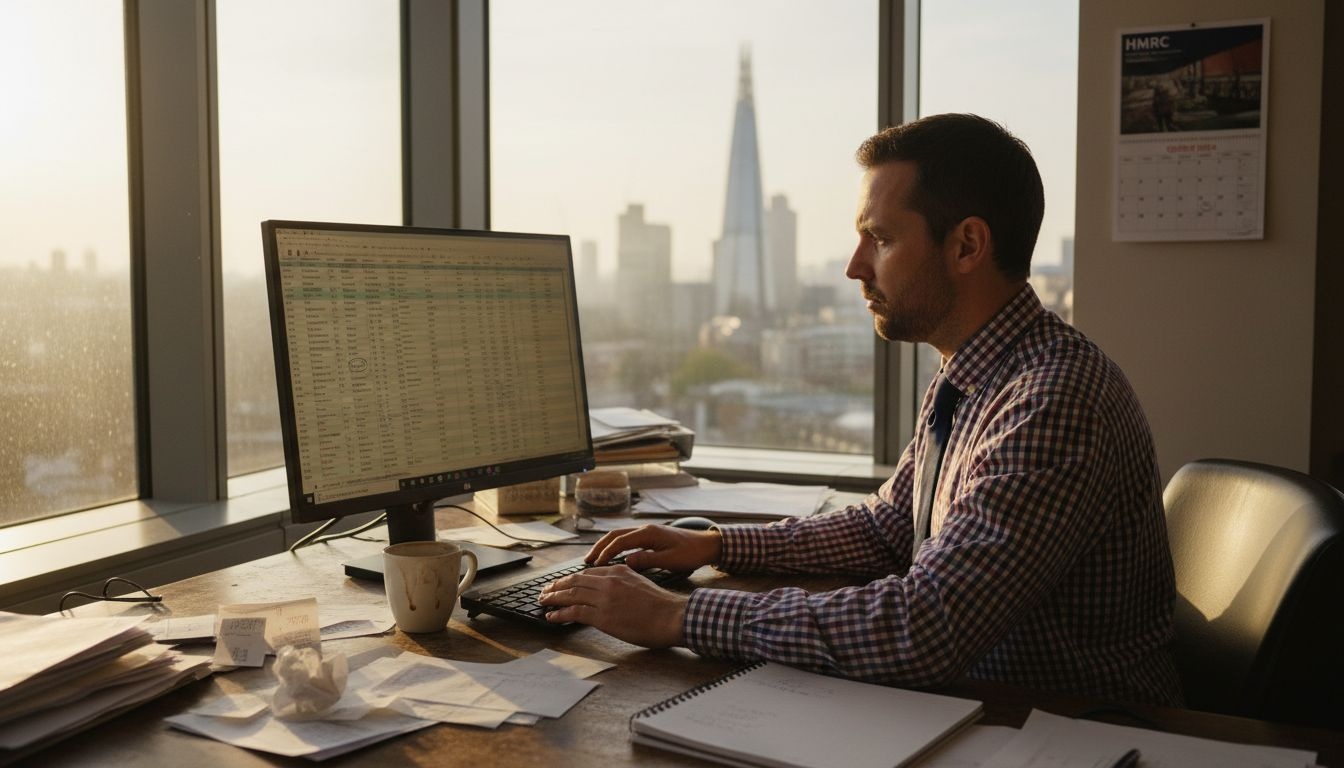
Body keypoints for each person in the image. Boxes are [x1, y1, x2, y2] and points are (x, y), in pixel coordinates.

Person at [540, 113, 1183, 706]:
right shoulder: (973, 372)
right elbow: (888, 528)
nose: (854, 267)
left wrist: (674, 617)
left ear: (966, 246)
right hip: (976, 707)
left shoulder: (1054, 401)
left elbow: (925, 628)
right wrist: (713, 543)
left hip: (1069, 732)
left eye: (878, 239)